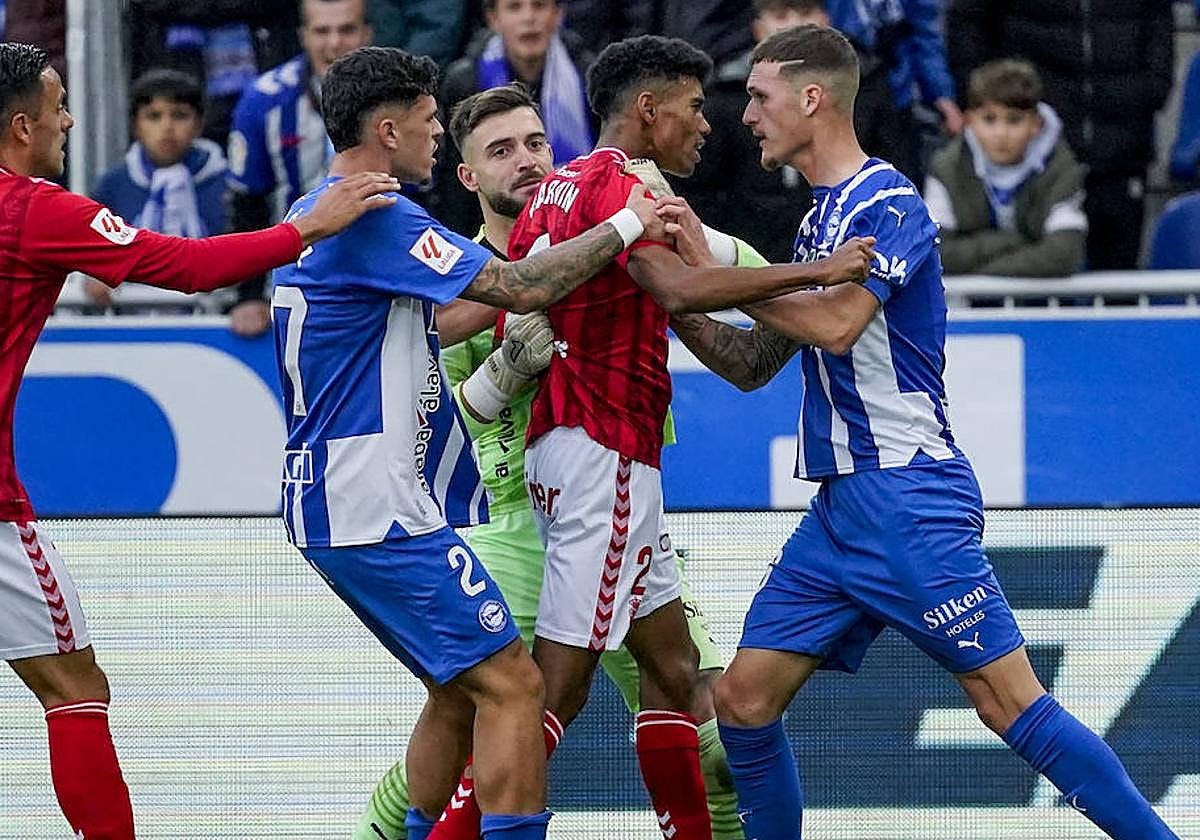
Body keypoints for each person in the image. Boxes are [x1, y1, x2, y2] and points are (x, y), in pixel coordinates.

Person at [661, 25, 1180, 840]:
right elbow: (754, 364)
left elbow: (834, 325)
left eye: (759, 97)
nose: (746, 115)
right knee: (742, 700)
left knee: (1009, 704)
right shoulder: (818, 225)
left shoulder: (888, 201)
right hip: (842, 510)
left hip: (906, 496)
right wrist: (679, 299)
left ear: (811, 98)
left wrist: (710, 272)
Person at [421, 35, 874, 840]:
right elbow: (674, 286)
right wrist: (819, 271)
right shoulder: (623, 190)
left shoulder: (557, 193)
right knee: (553, 692)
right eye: (695, 107)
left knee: (673, 669)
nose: (709, 124)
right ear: (648, 108)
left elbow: (522, 298)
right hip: (604, 451)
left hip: (573, 449)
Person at [267, 44, 683, 840]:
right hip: (376, 505)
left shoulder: (326, 209)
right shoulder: (379, 216)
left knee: (456, 692)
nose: (435, 135)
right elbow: (517, 287)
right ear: (387, 131)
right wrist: (628, 220)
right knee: (517, 688)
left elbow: (450, 314)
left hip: (337, 498)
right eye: (429, 122)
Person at [0, 41, 398, 840]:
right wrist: (304, 229)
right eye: (58, 106)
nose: (69, 120)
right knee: (75, 688)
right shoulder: (36, 210)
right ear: (21, 126)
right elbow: (184, 266)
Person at [353, 82, 759, 840]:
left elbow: (712, 275)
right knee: (472, 719)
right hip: (506, 521)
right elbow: (419, 433)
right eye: (501, 151)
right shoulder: (455, 277)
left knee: (705, 715)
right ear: (468, 176)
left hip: (612, 497)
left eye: (536, 143)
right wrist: (500, 374)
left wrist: (808, 289)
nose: (527, 161)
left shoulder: (612, 230)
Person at [946, 0, 1174, 270]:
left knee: (1117, 276)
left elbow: (1158, 25)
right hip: (1030, 157)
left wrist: (1147, 92)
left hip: (1121, 152)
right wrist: (990, 105)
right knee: (1023, 271)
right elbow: (969, 24)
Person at [677, 0, 907, 263]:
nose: (795, 24)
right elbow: (698, 190)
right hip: (750, 262)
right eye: (781, 15)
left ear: (827, 21)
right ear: (757, 28)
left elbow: (897, 166)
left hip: (851, 260)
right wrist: (732, 255)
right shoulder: (724, 96)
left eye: (806, 12)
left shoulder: (870, 88)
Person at [225, 0, 373, 337]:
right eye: (322, 31)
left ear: (367, 32)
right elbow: (247, 202)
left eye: (347, 30)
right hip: (292, 276)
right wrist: (249, 295)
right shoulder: (263, 100)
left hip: (380, 276)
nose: (334, 43)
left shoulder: (400, 97)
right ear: (303, 35)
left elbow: (423, 192)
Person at [432, 0, 595, 237]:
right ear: (493, 18)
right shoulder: (464, 81)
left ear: (558, 14)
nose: (528, 18)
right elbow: (453, 187)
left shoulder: (588, 76)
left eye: (539, 6)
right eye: (514, 7)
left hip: (583, 225)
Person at [924, 59, 1086, 277]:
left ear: (1036, 125)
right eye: (989, 119)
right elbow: (935, 252)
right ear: (969, 121)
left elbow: (1063, 254)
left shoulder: (1062, 169)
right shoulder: (946, 169)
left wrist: (982, 274)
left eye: (1014, 120)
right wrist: (1014, 242)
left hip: (1039, 298)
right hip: (966, 299)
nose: (1001, 133)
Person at [87, 69, 230, 310]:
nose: (167, 126)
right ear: (135, 126)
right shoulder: (113, 185)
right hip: (132, 322)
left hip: (215, 317)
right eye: (153, 116)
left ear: (199, 124)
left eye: (180, 115)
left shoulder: (227, 184)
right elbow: (90, 252)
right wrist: (93, 273)